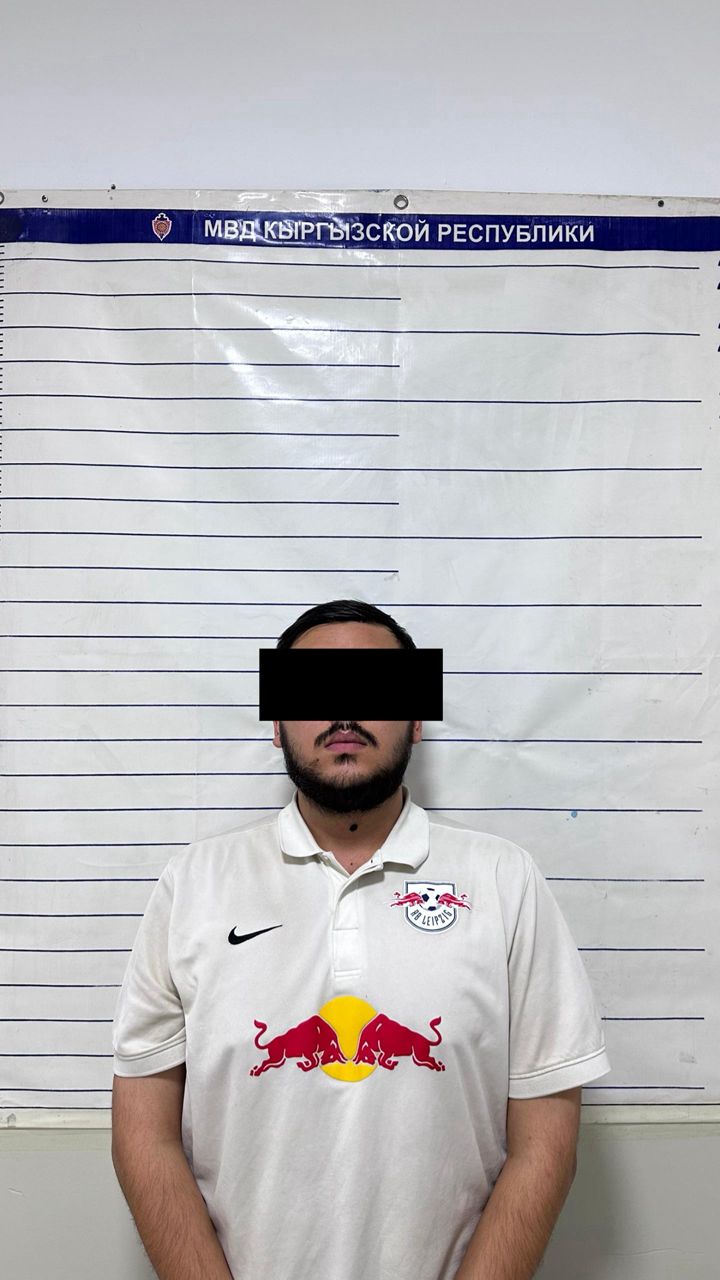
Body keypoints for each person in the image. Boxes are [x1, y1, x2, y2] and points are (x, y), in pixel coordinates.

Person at [111, 598, 611, 1280]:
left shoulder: (504, 880)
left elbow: (545, 1144)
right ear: (277, 723)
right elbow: (145, 1136)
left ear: (416, 718)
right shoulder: (192, 884)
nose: (344, 714)